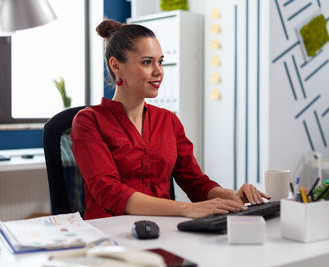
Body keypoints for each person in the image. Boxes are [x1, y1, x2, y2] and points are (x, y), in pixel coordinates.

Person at [71, 19, 270, 220]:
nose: (158, 71)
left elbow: (195, 183)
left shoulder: (168, 121)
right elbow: (109, 192)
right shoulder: (89, 121)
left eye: (160, 61)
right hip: (112, 235)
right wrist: (186, 209)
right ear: (116, 66)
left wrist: (232, 195)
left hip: (164, 230)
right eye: (147, 62)